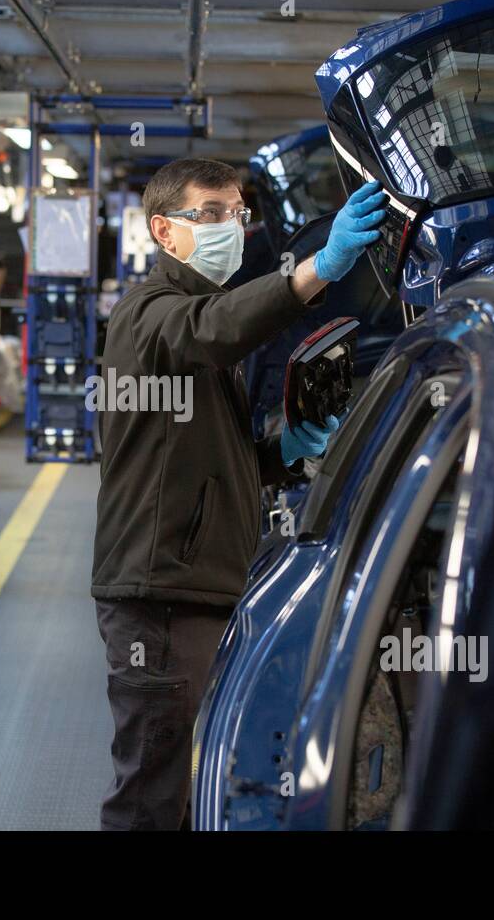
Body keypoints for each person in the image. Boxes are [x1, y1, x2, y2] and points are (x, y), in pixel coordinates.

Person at [91, 158, 385, 829]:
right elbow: (217, 328)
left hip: (191, 589)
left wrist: (281, 453)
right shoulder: (150, 316)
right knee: (149, 797)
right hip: (159, 598)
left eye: (239, 214)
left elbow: (209, 462)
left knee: (178, 788)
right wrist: (321, 267)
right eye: (213, 214)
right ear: (165, 231)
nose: (235, 229)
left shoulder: (191, 329)